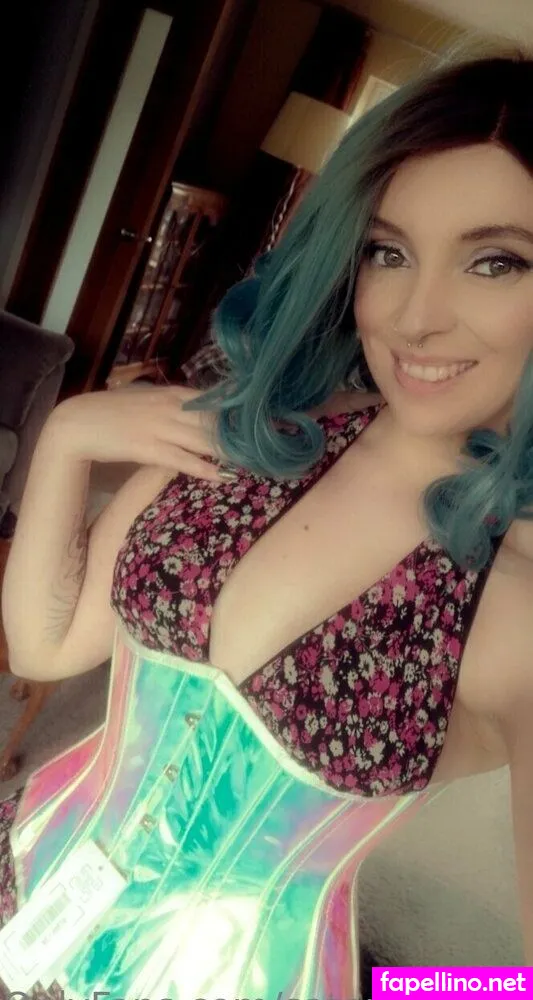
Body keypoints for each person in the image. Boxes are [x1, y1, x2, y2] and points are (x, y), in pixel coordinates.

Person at [1, 48, 533, 999]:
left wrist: (400, 990)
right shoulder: (262, 433)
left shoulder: (513, 596)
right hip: (22, 877)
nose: (415, 317)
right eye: (387, 251)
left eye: (495, 262)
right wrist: (68, 438)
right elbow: (47, 647)